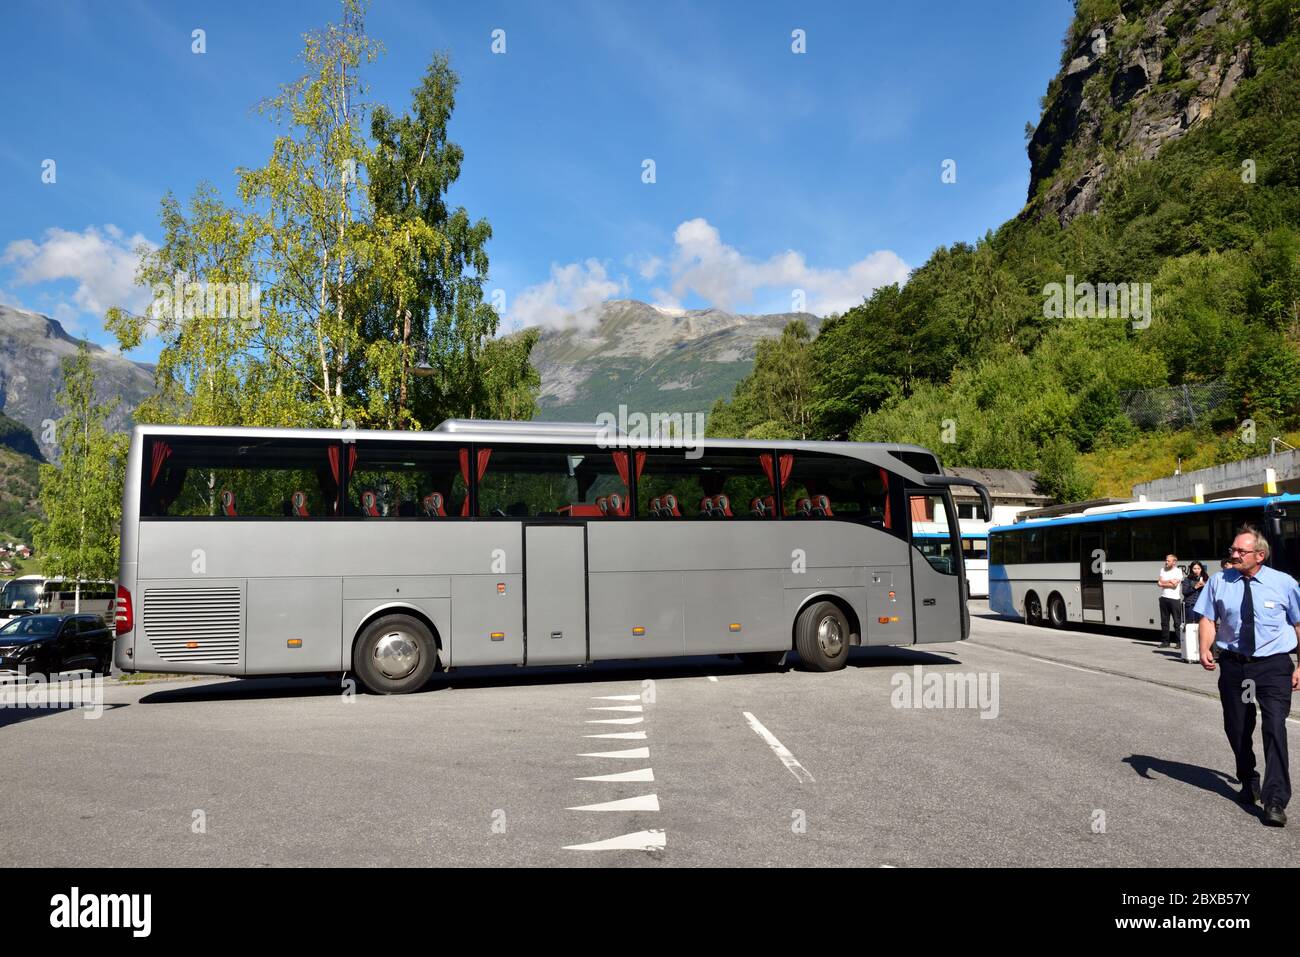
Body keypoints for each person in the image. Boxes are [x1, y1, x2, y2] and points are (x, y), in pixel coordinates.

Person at [1195, 526, 1300, 827]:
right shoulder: (1219, 582)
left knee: (1274, 726)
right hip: (1235, 666)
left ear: (1260, 555)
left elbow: (1298, 624)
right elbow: (1207, 617)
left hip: (1273, 666)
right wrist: (1205, 647)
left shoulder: (1284, 584)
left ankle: (1275, 799)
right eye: (1233, 549)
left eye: (1241, 551)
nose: (1234, 554)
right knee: (1238, 726)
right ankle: (1248, 778)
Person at [1157, 554, 1184, 648]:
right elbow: (1159, 583)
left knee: (1177, 622)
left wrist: (1164, 582)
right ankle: (1165, 642)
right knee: (1164, 621)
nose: (1166, 562)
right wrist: (1169, 581)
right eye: (1166, 560)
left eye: (1168, 560)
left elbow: (1174, 585)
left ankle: (1179, 642)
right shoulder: (1162, 570)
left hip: (1174, 599)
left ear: (1174, 562)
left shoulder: (1178, 571)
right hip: (1163, 598)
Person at [1182, 560, 1209, 625]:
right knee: (1190, 626)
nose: (1197, 570)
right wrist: (1195, 587)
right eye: (1194, 568)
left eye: (1198, 568)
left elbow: (1210, 593)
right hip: (1190, 605)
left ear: (1201, 569)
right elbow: (1184, 592)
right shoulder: (1187, 579)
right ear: (1191, 569)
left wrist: (1205, 586)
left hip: (1202, 606)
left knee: (1201, 625)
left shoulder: (1206, 579)